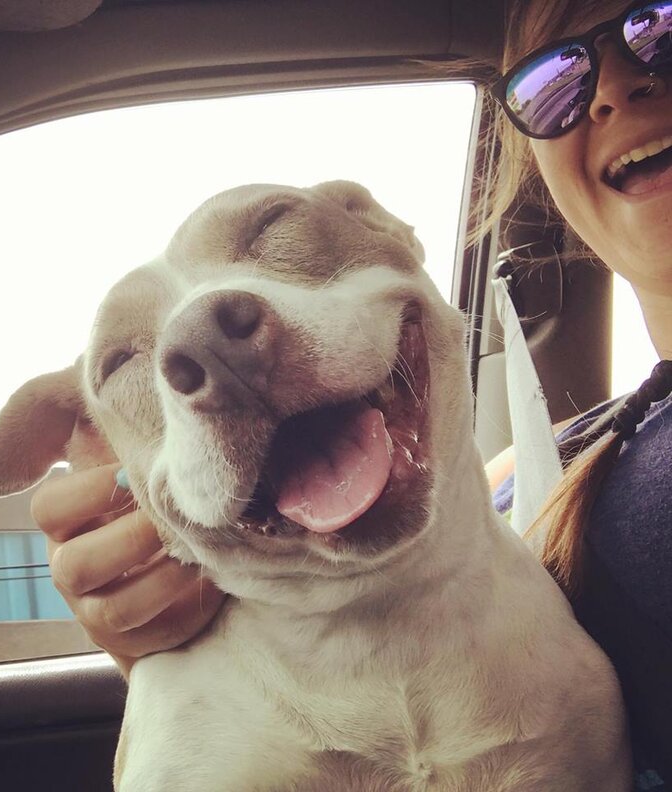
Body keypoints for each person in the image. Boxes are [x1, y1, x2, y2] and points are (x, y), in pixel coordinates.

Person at [33, 0, 672, 786]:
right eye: (553, 80)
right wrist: (183, 683)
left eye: (660, 25)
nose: (611, 89)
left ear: (395, 237)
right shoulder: (555, 469)